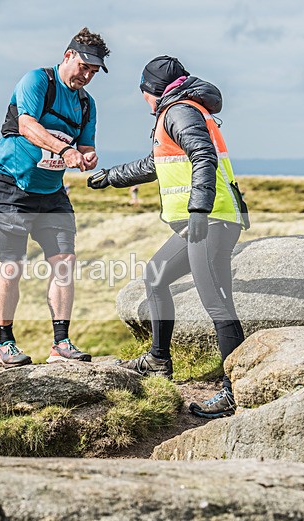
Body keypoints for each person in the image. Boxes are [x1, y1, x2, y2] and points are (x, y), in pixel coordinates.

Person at [88, 56, 249, 418]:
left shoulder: (178, 111)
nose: (143, 99)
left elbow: (203, 156)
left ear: (152, 91)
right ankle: (159, 360)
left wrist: (197, 209)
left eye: (143, 92)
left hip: (211, 221)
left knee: (218, 307)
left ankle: (234, 392)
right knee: (156, 276)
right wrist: (111, 176)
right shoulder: (177, 112)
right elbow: (155, 163)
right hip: (206, 220)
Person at [0, 28, 110, 368]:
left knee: (65, 263)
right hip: (10, 184)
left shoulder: (87, 104)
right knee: (12, 267)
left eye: (93, 72)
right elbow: (26, 125)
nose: (86, 76)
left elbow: (86, 145)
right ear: (68, 55)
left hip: (52, 191)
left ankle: (61, 343)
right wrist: (65, 149)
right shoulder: (38, 80)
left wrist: (87, 156)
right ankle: (5, 343)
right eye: (83, 66)